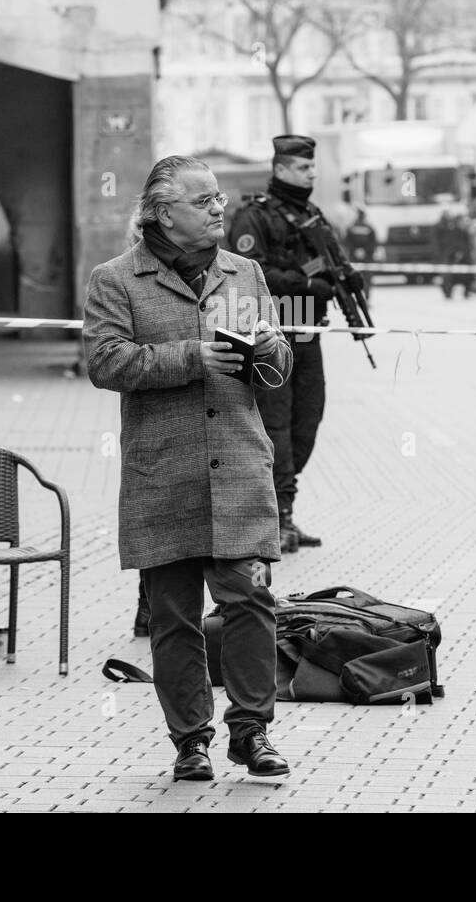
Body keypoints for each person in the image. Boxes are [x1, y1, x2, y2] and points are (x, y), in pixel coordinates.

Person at [83, 155, 294, 782]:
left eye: (218, 199)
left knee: (250, 601)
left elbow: (279, 367)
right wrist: (191, 357)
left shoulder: (244, 273)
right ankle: (190, 741)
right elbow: (105, 362)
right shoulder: (117, 279)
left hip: (238, 467)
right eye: (203, 201)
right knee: (173, 618)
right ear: (162, 212)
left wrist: (267, 351)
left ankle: (252, 731)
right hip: (163, 473)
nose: (218, 208)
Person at [226, 135, 365, 553]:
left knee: (308, 419)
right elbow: (251, 272)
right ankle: (277, 517)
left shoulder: (312, 216)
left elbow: (327, 263)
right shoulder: (255, 217)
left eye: (312, 168)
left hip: (307, 332)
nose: (311, 175)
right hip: (271, 334)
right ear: (281, 169)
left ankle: (283, 505)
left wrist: (345, 278)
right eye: (304, 169)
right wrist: (306, 284)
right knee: (277, 424)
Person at [438, 209, 474, 299]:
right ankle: (447, 292)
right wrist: (456, 253)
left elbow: (468, 245)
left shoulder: (464, 232)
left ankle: (467, 292)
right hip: (453, 259)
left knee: (467, 276)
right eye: (461, 221)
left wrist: (465, 253)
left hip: (465, 259)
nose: (463, 223)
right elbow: (449, 245)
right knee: (449, 277)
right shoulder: (451, 232)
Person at [344, 208, 377, 299]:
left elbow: (347, 242)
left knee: (355, 279)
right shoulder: (369, 227)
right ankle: (366, 298)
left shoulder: (351, 227)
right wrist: (365, 251)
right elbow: (373, 243)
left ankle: (360, 299)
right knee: (366, 279)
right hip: (366, 258)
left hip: (356, 258)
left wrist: (355, 251)